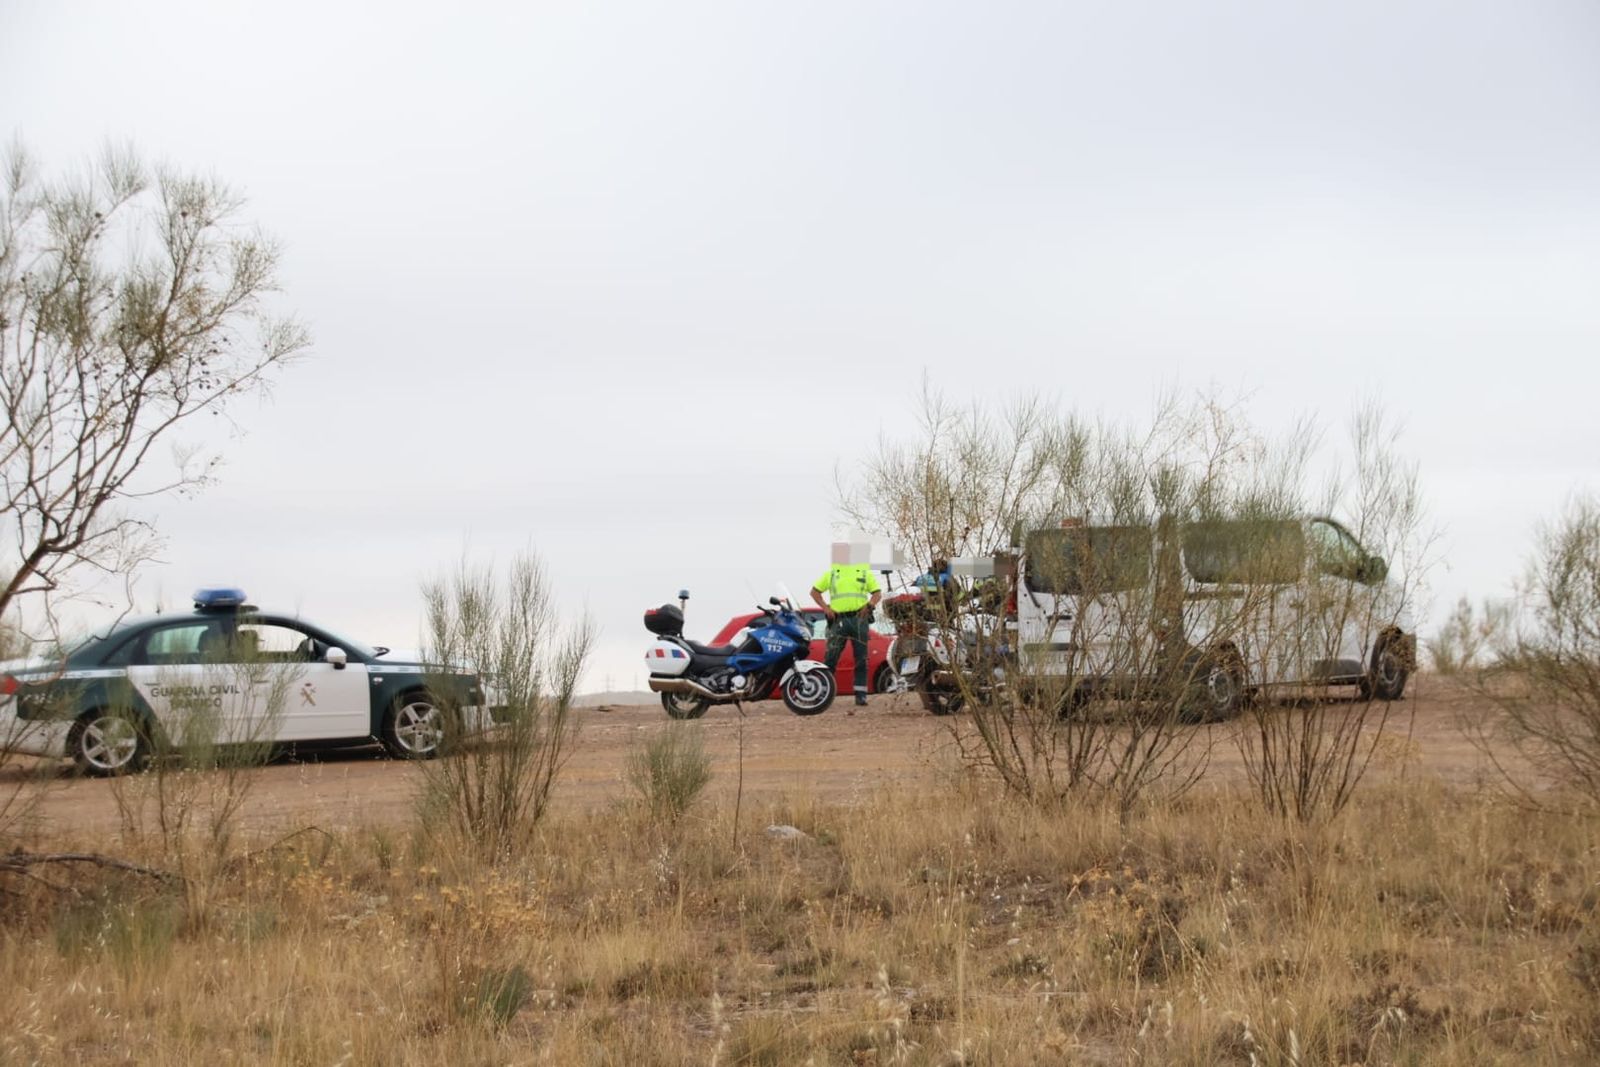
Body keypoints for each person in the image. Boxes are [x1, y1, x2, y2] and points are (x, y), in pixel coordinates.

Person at [810, 556, 882, 710]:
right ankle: (823, 692)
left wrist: (869, 605)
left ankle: (861, 695)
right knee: (831, 657)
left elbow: (877, 593)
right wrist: (826, 608)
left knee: (861, 658)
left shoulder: (864, 573)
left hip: (859, 619)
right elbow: (814, 592)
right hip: (838, 620)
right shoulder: (832, 573)